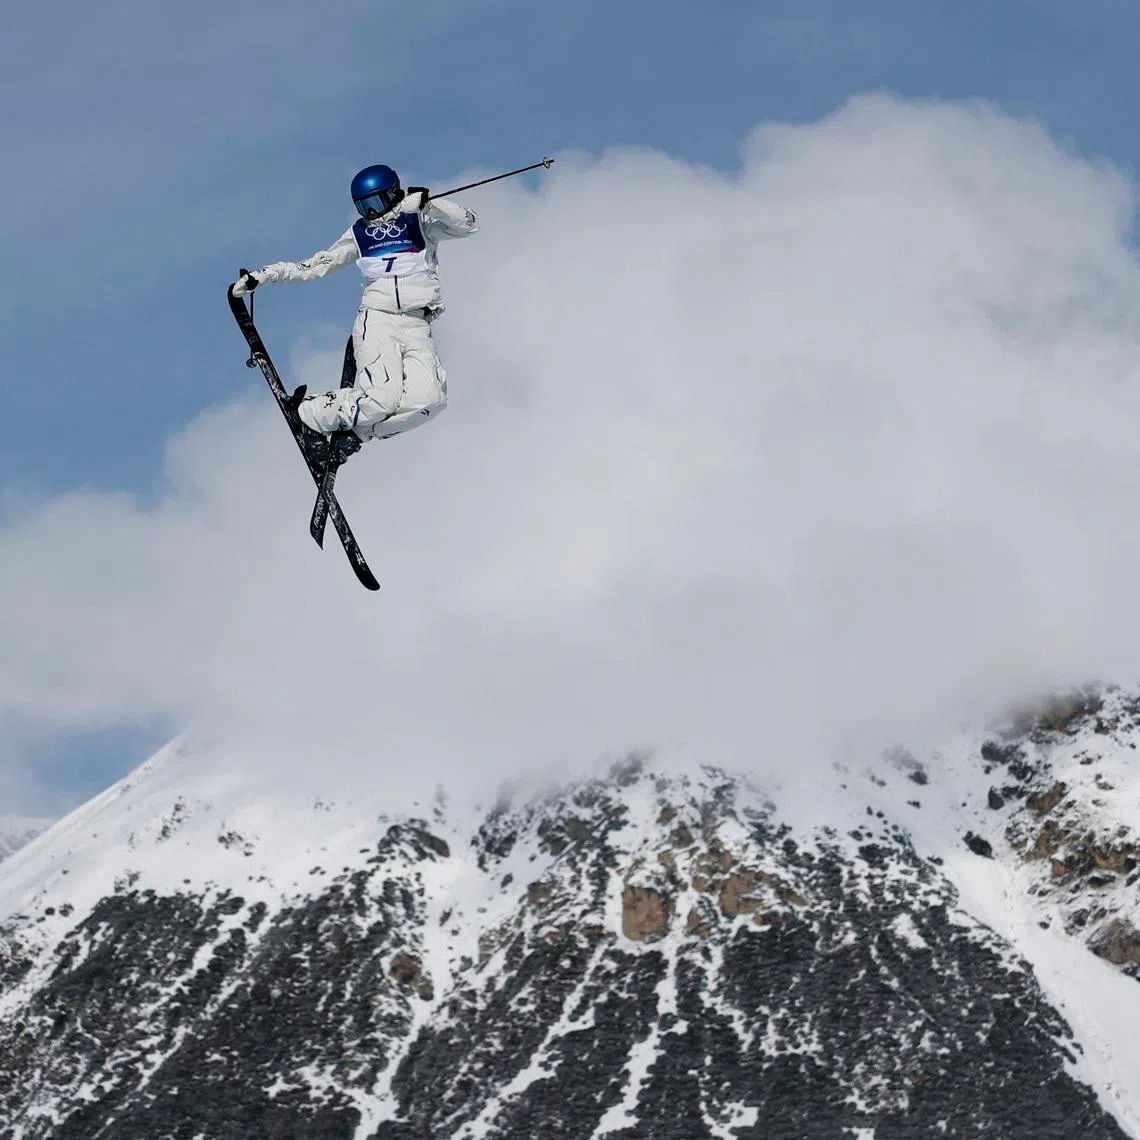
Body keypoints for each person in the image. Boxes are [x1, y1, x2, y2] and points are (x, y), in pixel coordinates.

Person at [231, 164, 477, 448]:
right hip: (378, 320)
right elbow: (314, 266)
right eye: (363, 207)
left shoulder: (419, 222)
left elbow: (469, 224)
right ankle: (309, 413)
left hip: (417, 324)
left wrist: (431, 205)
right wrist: (265, 275)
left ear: (393, 194)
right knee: (382, 398)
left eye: (376, 204)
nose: (371, 214)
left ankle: (355, 435)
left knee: (430, 400)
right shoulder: (360, 234)